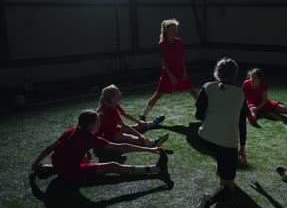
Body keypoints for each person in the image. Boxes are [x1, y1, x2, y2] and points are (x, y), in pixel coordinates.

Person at [31, 110, 170, 182]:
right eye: (98, 121)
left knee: (86, 156)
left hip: (58, 163)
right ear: (90, 125)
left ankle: (55, 170)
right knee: (113, 166)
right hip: (70, 172)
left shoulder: (72, 130)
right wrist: (150, 150)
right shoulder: (89, 139)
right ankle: (157, 168)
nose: (100, 123)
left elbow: (50, 148)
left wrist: (36, 163)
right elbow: (122, 147)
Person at [188, 57, 248, 208]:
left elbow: (199, 115)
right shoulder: (240, 93)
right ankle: (210, 200)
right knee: (228, 188)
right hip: (227, 144)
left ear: (217, 73)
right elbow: (242, 124)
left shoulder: (207, 87)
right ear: (235, 75)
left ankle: (222, 165)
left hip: (204, 138)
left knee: (219, 152)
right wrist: (242, 147)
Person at [140, 18, 198, 121]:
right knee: (157, 94)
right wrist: (171, 75)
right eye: (173, 28)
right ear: (167, 30)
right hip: (168, 73)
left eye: (176, 28)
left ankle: (205, 111)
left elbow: (181, 58)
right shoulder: (162, 44)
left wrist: (184, 71)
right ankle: (143, 115)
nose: (175, 30)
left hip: (180, 71)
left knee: (193, 91)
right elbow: (163, 62)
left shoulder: (179, 42)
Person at [97, 84, 168, 147]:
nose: (120, 93)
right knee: (129, 137)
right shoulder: (109, 110)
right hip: (105, 136)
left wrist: (139, 122)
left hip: (112, 130)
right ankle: (151, 143)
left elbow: (125, 115)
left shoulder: (113, 104)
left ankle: (152, 123)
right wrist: (140, 135)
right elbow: (124, 126)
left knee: (134, 127)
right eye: (118, 92)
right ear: (112, 98)